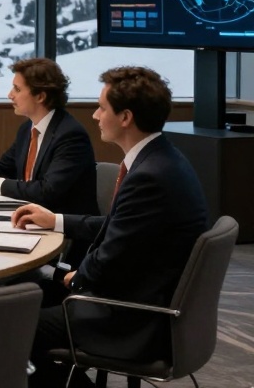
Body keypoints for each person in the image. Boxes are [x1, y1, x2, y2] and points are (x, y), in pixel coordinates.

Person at [14, 67, 207, 388]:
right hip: (148, 298)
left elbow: (107, 261)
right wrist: (56, 220)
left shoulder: (149, 177)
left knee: (10, 321)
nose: (94, 115)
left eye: (102, 107)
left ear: (126, 117)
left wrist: (74, 277)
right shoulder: (162, 160)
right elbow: (122, 227)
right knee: (34, 289)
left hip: (131, 317)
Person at [0, 57, 97, 215]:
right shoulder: (27, 128)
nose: (10, 95)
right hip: (31, 218)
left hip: (65, 229)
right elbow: (4, 167)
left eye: (17, 89)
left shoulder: (70, 135)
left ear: (40, 97)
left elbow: (48, 191)